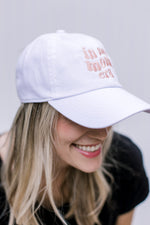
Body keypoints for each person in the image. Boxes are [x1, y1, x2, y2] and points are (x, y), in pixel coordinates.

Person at [0, 30, 150, 225]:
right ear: (38, 120)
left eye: (106, 109)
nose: (103, 133)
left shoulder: (123, 165)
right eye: (83, 114)